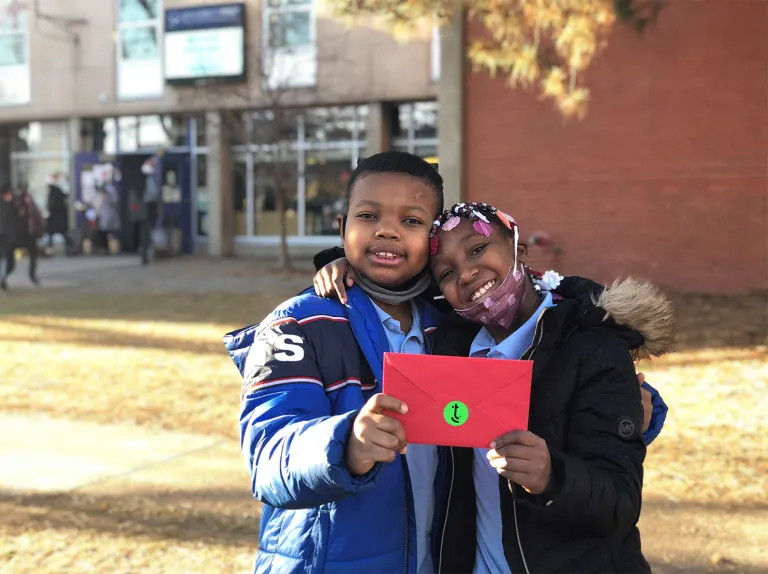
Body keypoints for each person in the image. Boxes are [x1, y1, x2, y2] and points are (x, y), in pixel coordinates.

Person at [314, 201, 674, 572]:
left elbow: (620, 502)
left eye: (478, 249)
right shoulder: (450, 350)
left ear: (519, 248)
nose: (467, 273)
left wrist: (552, 477)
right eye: (447, 272)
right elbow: (398, 284)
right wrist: (346, 264)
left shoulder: (590, 347)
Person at [224, 152, 475, 573]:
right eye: (368, 215)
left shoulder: (453, 326)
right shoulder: (297, 324)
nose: (387, 231)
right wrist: (346, 444)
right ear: (343, 229)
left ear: (433, 240)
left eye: (411, 221)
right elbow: (267, 458)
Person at [4, 185, 45, 287]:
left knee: (27, 256)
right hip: (23, 234)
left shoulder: (18, 203)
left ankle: (5, 277)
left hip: (23, 235)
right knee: (30, 256)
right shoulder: (22, 203)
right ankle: (31, 276)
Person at [45, 173, 73, 255]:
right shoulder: (58, 191)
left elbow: (51, 205)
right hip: (59, 217)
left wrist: (49, 211)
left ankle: (50, 249)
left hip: (55, 217)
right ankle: (71, 246)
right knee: (62, 234)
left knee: (52, 234)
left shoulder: (53, 192)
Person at [0, 183, 19, 291]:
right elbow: (10, 224)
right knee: (6, 261)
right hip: (6, 237)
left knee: (5, 260)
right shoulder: (9, 207)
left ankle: (2, 279)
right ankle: (2, 279)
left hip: (5, 236)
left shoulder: (8, 206)